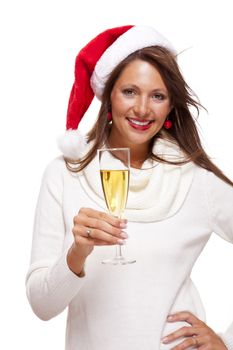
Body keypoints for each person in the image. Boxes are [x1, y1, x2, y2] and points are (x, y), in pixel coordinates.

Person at [26, 25, 233, 350]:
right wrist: (77, 253)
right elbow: (42, 306)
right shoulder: (64, 174)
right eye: (129, 91)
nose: (142, 109)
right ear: (108, 95)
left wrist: (225, 341)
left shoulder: (195, 178)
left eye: (158, 96)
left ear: (169, 106)